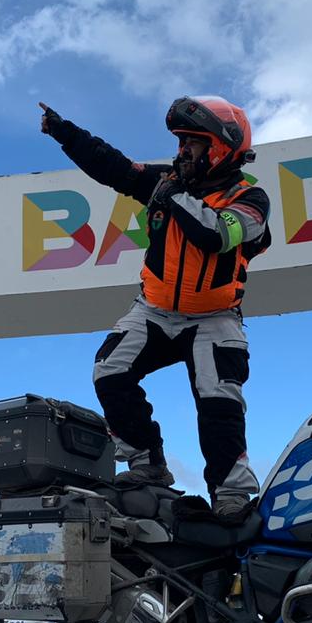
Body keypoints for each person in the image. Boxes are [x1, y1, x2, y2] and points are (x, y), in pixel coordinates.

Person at [39, 96, 271, 519]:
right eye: (180, 142)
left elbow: (216, 235)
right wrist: (65, 133)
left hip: (215, 318)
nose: (182, 151)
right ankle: (147, 463)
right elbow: (114, 167)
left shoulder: (250, 198)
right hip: (154, 310)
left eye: (192, 143)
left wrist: (173, 194)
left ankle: (231, 493)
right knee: (110, 370)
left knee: (218, 397)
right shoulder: (168, 182)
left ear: (221, 147)